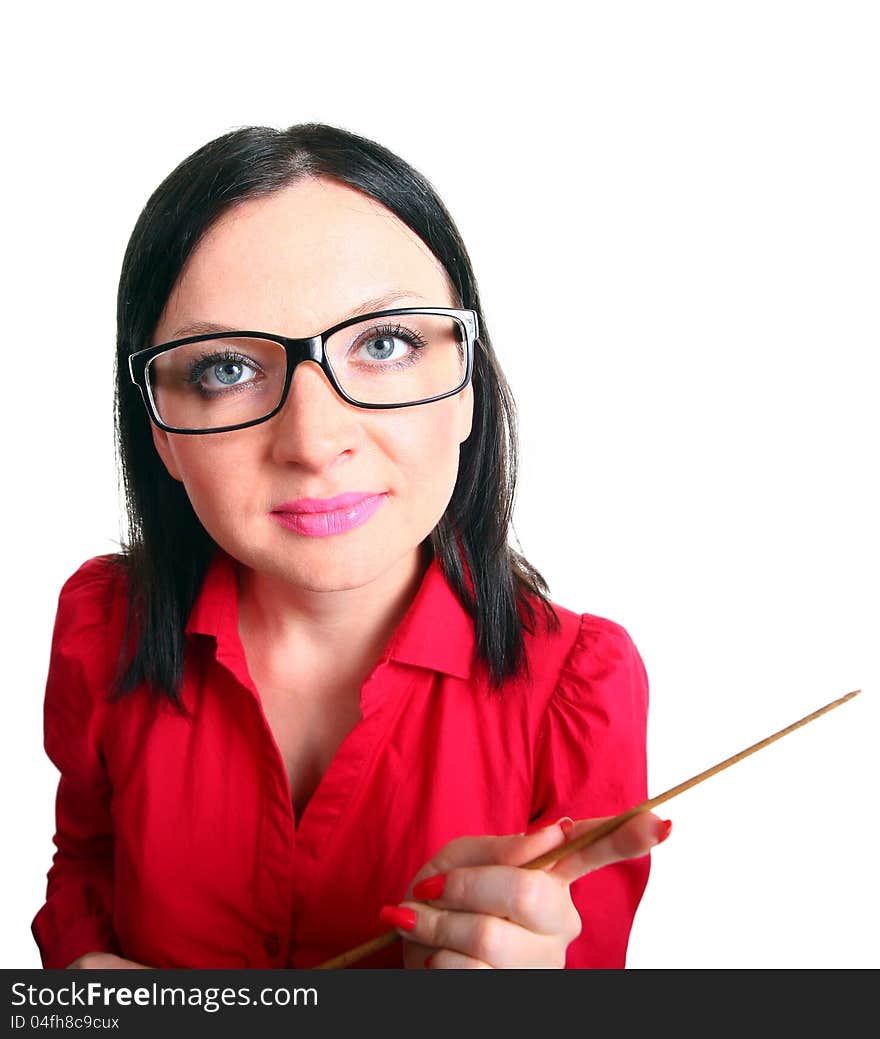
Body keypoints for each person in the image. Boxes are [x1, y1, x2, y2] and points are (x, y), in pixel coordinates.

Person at [32, 122, 670, 971]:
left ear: (468, 389)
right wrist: (88, 981)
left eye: (384, 344)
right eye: (225, 366)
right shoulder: (101, 625)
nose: (313, 439)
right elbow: (84, 866)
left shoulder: (580, 689)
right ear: (162, 434)